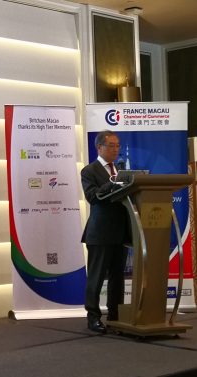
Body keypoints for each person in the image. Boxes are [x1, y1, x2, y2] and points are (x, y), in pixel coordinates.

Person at [80, 130, 131, 334]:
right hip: (100, 233)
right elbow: (92, 197)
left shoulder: (121, 170)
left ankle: (115, 316)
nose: (116, 149)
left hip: (121, 232)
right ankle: (93, 317)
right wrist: (113, 183)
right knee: (96, 277)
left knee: (118, 277)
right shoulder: (89, 171)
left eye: (118, 145)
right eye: (111, 145)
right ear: (99, 147)